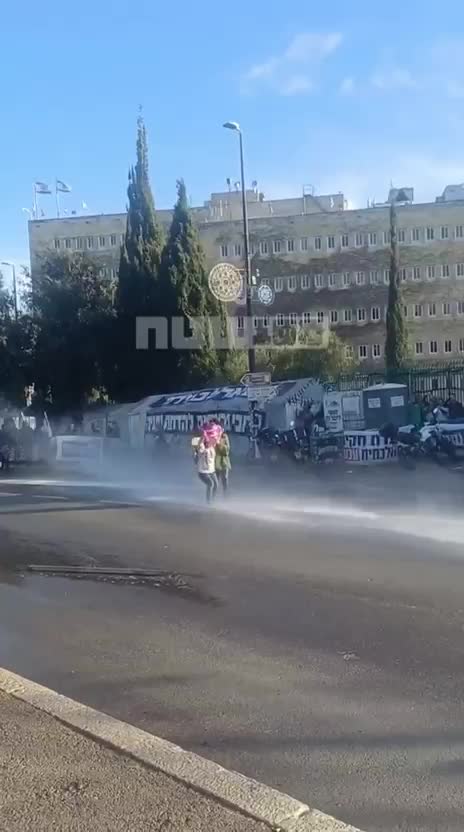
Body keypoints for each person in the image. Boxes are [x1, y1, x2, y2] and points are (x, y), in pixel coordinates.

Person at [195, 436, 218, 503]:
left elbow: (215, 440)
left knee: (216, 484)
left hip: (211, 470)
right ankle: (208, 501)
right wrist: (203, 437)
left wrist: (218, 433)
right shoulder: (202, 450)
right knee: (210, 484)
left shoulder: (212, 448)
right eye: (207, 442)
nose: (209, 443)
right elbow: (200, 444)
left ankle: (213, 499)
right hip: (203, 472)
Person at [215, 424, 231, 494]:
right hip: (215, 461)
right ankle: (213, 494)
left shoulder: (225, 437)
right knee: (215, 479)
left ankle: (225, 494)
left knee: (224, 478)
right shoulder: (213, 437)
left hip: (224, 461)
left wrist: (220, 444)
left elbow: (227, 450)